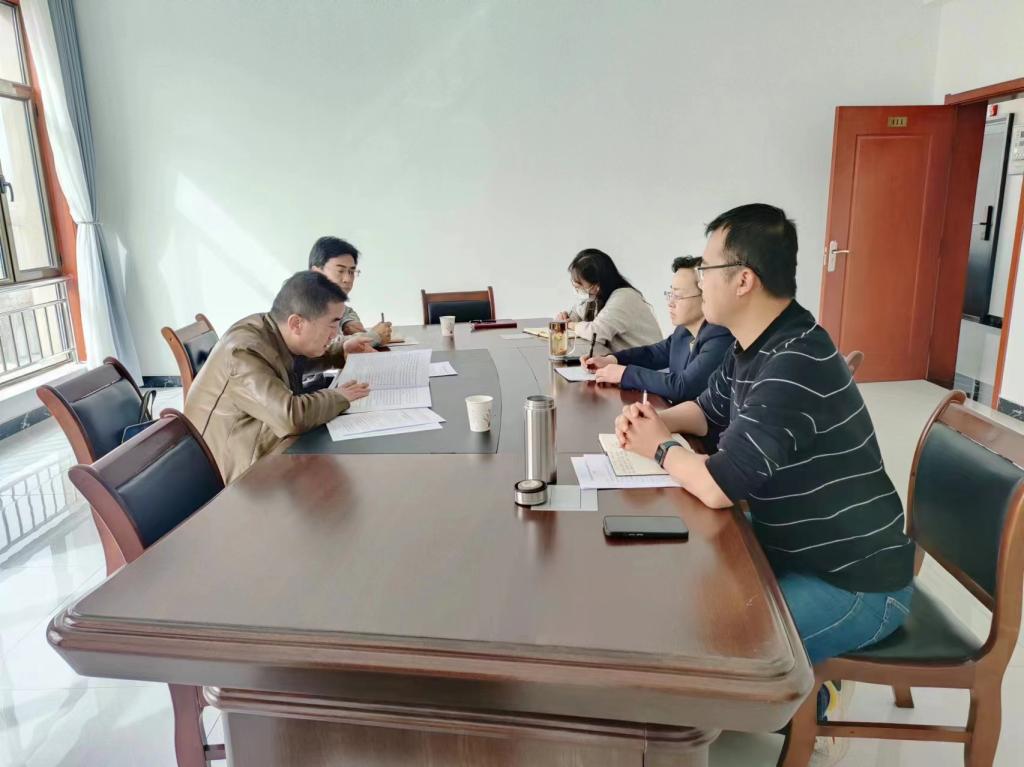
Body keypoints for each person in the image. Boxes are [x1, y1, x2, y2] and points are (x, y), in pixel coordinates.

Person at [614, 204, 914, 765]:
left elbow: (720, 486)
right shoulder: (755, 343)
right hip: (793, 552)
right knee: (679, 593)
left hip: (856, 584)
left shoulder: (794, 362)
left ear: (743, 279)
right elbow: (706, 411)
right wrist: (654, 421)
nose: (699, 281)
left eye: (706, 269)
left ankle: (816, 698)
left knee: (706, 654)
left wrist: (659, 447)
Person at [185, 271, 370, 483]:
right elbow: (290, 417)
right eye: (332, 323)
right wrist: (340, 396)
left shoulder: (273, 330)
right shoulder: (244, 352)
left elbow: (299, 357)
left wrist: (341, 349)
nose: (336, 333)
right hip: (234, 475)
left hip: (263, 445)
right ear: (296, 324)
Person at [582, 256, 732, 403]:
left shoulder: (720, 336)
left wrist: (625, 374)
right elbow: (653, 354)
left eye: (678, 296)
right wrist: (611, 359)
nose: (670, 303)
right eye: (671, 294)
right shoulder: (683, 331)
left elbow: (683, 387)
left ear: (706, 295)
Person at [555, 248, 662, 354]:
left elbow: (596, 332)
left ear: (596, 285)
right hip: (623, 360)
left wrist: (570, 325)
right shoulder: (598, 296)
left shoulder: (624, 297)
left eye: (579, 286)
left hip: (645, 363)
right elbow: (577, 312)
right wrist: (566, 317)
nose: (577, 290)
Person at [309, 236, 392, 347]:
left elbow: (345, 311)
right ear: (316, 273)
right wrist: (375, 336)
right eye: (340, 271)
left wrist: (348, 322)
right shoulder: (303, 303)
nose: (347, 279)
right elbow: (325, 345)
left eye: (351, 272)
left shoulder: (328, 302)